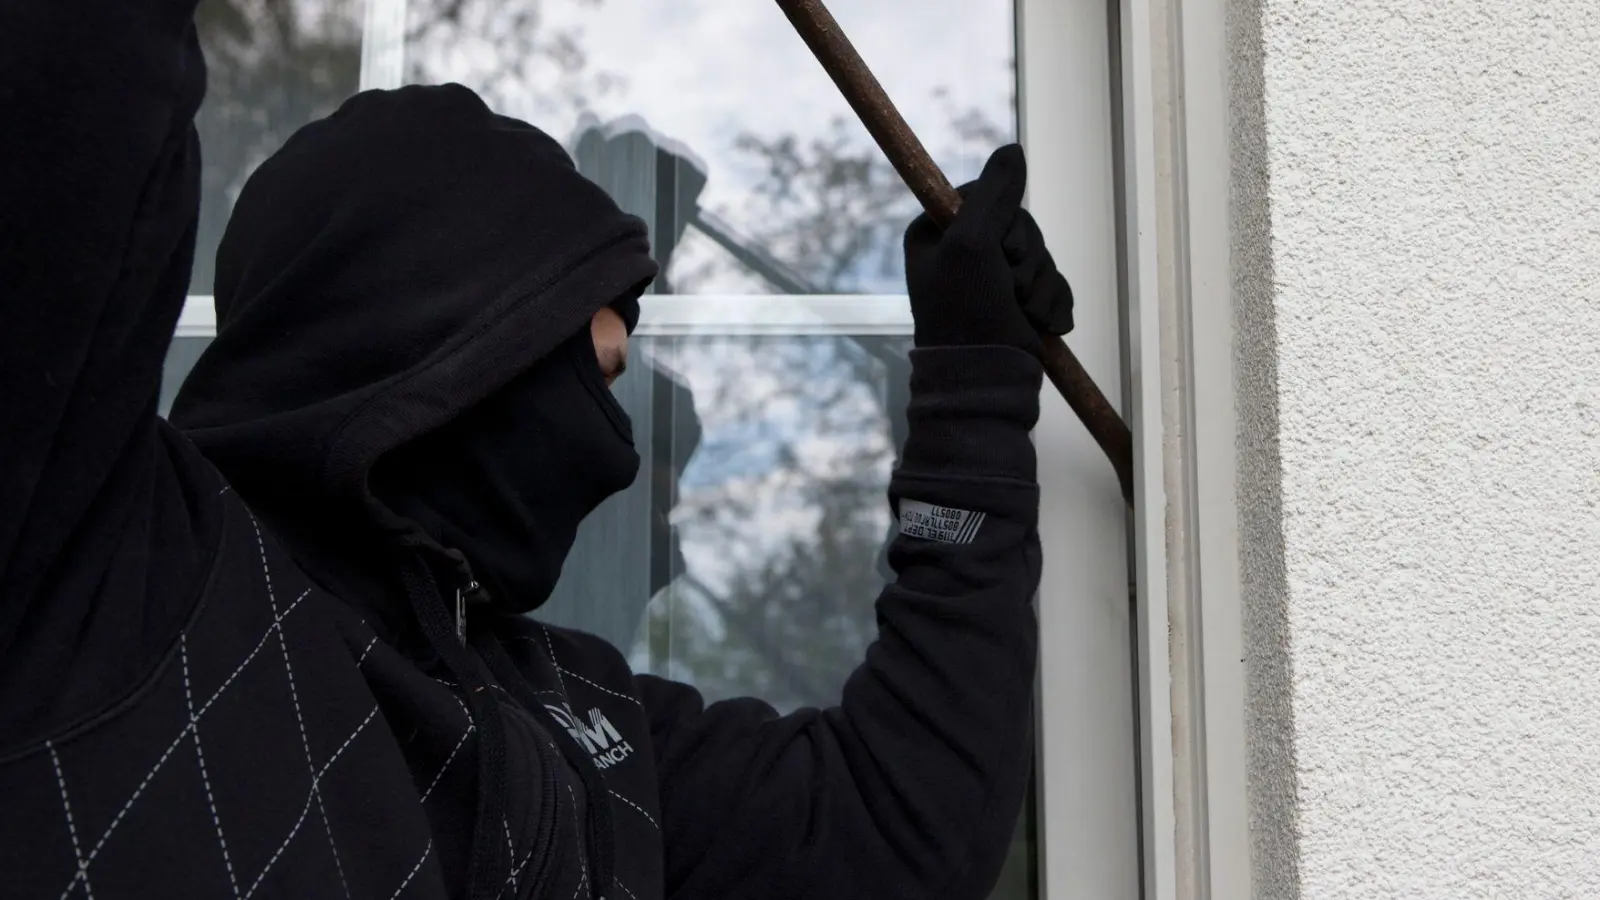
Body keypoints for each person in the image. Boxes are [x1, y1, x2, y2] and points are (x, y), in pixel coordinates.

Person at [0, 3, 1074, 899]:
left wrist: (972, 393)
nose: (615, 443)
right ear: (445, 324)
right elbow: (75, 81)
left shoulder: (584, 728)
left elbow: (898, 831)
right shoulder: (109, 576)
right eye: (592, 344)